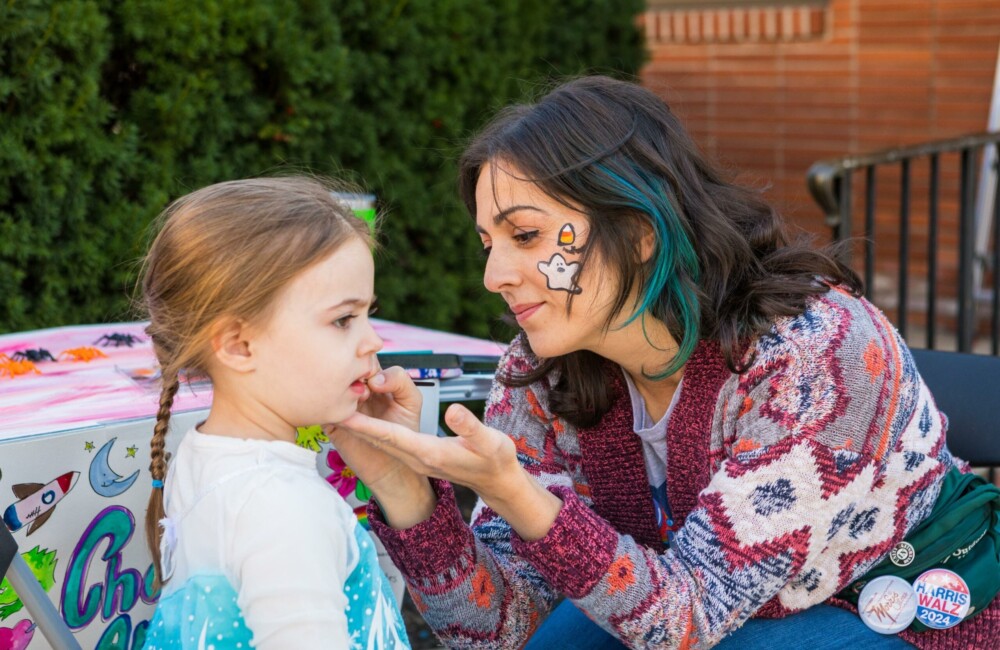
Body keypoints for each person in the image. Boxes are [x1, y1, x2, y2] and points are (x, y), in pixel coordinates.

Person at [332, 76, 1000, 649]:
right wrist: (405, 492)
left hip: (902, 611)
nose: (493, 275)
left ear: (639, 231)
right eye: (487, 242)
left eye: (527, 235)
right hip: (692, 616)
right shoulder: (543, 373)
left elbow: (689, 619)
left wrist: (520, 497)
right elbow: (502, 632)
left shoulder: (811, 352)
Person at [138, 177, 411, 649]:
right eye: (344, 319)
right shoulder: (283, 506)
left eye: (368, 313)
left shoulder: (201, 456)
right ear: (239, 346)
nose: (374, 342)